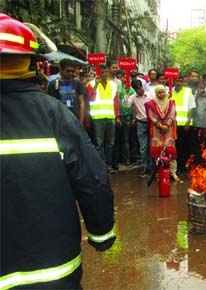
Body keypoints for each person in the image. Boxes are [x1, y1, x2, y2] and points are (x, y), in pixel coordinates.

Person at [0, 14, 115, 289]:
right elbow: (93, 181)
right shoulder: (54, 115)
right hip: (53, 273)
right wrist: (102, 234)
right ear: (33, 62)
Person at [86, 63, 120, 174]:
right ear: (98, 73)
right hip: (97, 117)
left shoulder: (113, 85)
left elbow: (115, 102)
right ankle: (100, 165)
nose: (104, 74)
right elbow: (90, 98)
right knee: (99, 144)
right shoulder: (91, 84)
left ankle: (108, 165)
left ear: (108, 73)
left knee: (110, 143)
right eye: (102, 72)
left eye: (106, 72)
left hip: (110, 117)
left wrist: (117, 116)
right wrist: (96, 85)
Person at [145, 85, 181, 182]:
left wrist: (166, 126)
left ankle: (173, 173)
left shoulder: (171, 102)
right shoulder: (151, 104)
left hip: (169, 129)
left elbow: (172, 115)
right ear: (156, 94)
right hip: (157, 129)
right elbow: (151, 116)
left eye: (162, 92)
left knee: (171, 153)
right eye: (159, 93)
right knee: (158, 153)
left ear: (166, 92)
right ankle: (159, 173)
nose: (161, 94)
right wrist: (160, 125)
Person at [124, 79, 154, 176]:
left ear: (142, 86)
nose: (139, 91)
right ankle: (144, 166)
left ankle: (152, 166)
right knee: (143, 146)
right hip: (141, 123)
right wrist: (127, 94)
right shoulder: (133, 97)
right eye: (136, 89)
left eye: (140, 88)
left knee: (152, 145)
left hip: (151, 123)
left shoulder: (150, 96)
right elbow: (126, 106)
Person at [47, 58, 86, 124]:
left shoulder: (77, 83)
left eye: (72, 71)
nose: (70, 73)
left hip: (75, 121)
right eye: (68, 71)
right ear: (61, 70)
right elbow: (50, 105)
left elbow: (81, 103)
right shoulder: (53, 84)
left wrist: (81, 122)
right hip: (60, 121)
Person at [171, 74, 196, 174]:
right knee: (175, 147)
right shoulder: (169, 92)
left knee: (184, 147)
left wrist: (188, 122)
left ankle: (183, 167)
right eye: (177, 81)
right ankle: (175, 168)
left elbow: (191, 109)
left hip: (185, 125)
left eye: (180, 81)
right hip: (172, 124)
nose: (179, 83)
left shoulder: (188, 92)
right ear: (173, 82)